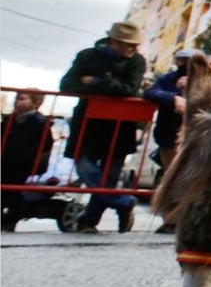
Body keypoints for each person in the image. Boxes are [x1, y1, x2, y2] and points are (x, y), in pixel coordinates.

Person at [60, 21, 146, 233]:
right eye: (129, 44)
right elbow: (67, 85)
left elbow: (129, 89)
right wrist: (108, 85)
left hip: (119, 125)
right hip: (87, 123)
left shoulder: (136, 61)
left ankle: (89, 221)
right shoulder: (87, 56)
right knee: (84, 166)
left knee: (110, 174)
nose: (134, 49)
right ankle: (123, 202)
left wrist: (95, 82)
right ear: (115, 42)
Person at [143, 48, 200, 233]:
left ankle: (190, 220)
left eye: (189, 61)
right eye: (182, 60)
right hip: (170, 137)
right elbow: (150, 93)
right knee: (172, 177)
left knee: (193, 179)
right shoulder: (168, 79)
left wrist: (191, 90)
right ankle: (171, 220)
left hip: (196, 138)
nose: (184, 64)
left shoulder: (206, 80)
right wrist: (174, 96)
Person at [1, 91, 53, 231]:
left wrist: (35, 157)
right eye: (16, 98)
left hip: (25, 162)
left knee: (14, 189)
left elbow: (46, 144)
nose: (16, 102)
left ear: (35, 103)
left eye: (22, 99)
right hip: (6, 159)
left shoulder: (40, 122)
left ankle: (11, 219)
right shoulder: (8, 120)